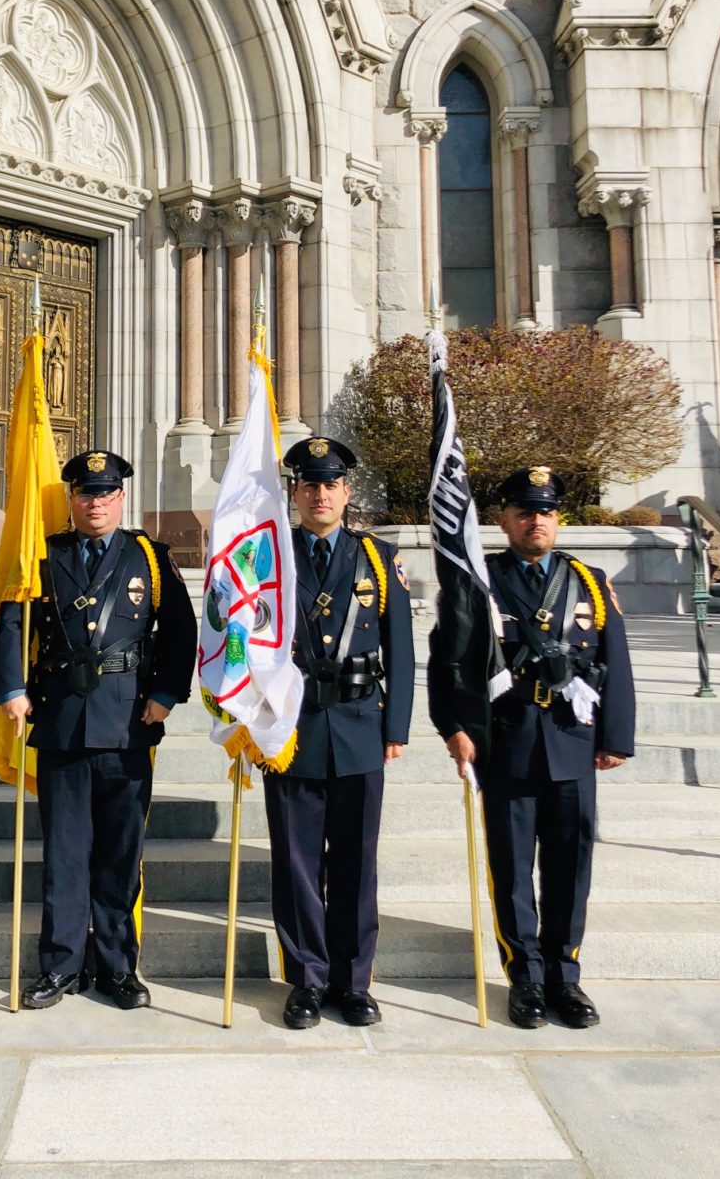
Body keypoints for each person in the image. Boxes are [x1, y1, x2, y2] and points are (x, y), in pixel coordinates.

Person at [428, 466, 635, 1030]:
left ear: (557, 519)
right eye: (523, 511)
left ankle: (565, 976)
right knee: (513, 869)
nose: (534, 520)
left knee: (571, 866)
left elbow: (615, 657)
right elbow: (446, 662)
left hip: (572, 743)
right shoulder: (479, 581)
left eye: (544, 511)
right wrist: (453, 729)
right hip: (508, 742)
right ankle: (524, 977)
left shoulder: (589, 581)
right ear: (504, 520)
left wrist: (616, 737)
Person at [0, 449, 197, 1010]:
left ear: (121, 498)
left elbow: (181, 628)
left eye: (106, 494)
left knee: (118, 855)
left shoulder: (150, 558)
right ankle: (59, 965)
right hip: (59, 719)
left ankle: (116, 967)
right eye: (86, 493)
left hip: (128, 720)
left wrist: (165, 694)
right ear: (72, 499)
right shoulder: (46, 554)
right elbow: (13, 622)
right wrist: (10, 687)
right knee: (63, 852)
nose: (96, 503)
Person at [264, 436, 414, 1030]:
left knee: (355, 864)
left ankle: (353, 982)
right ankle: (306, 980)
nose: (320, 494)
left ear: (347, 492)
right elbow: (247, 642)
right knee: (297, 865)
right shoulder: (270, 559)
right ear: (294, 493)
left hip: (357, 726)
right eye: (309, 484)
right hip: (293, 730)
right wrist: (252, 724)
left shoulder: (377, 557)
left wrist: (395, 725)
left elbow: (400, 648)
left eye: (330, 484)